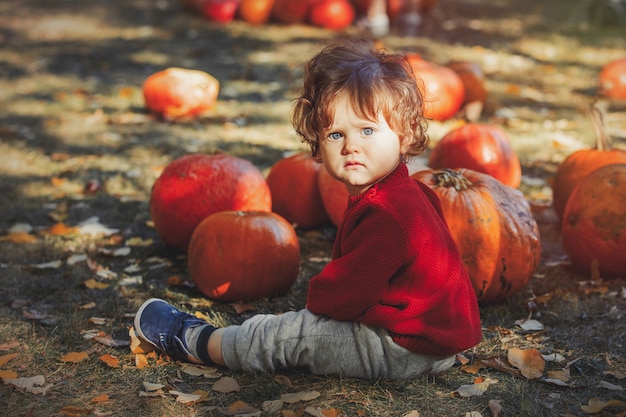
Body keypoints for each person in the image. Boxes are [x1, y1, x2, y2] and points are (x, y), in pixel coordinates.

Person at [133, 37, 482, 381]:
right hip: (434, 341)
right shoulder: (409, 192)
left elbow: (346, 294)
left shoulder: (387, 212)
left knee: (291, 334)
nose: (351, 146)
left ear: (404, 137)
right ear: (316, 144)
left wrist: (321, 298)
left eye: (367, 130)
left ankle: (197, 340)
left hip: (402, 348)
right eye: (335, 135)